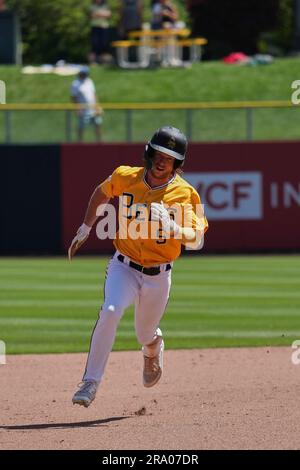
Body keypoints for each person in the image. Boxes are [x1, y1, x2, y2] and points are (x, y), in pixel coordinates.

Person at [69, 126, 208, 408]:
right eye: (158, 154)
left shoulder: (185, 194)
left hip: (159, 274)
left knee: (145, 333)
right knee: (110, 310)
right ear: (149, 153)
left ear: (177, 164)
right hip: (124, 266)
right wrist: (85, 227)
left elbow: (198, 238)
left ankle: (153, 348)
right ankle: (90, 382)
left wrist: (173, 227)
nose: (161, 161)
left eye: (169, 158)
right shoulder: (126, 176)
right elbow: (101, 192)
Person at [70, 66, 103, 142]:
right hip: (83, 110)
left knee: (98, 125)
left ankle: (100, 143)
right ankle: (80, 143)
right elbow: (73, 97)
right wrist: (77, 108)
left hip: (93, 109)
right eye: (83, 73)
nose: (85, 74)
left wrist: (97, 106)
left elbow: (94, 94)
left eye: (86, 73)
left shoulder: (89, 81)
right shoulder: (75, 84)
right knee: (81, 128)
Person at [89, 0, 112, 64]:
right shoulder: (93, 6)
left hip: (104, 27)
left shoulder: (106, 5)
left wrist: (98, 13)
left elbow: (109, 14)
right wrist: (103, 14)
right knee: (94, 44)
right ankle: (93, 62)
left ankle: (104, 61)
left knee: (104, 44)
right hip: (95, 27)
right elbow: (92, 15)